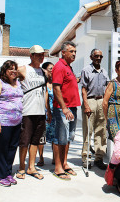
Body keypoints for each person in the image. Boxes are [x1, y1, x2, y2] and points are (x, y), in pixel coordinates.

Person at [16, 45, 47, 180]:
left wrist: (48, 111)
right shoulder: (23, 69)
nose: (41, 57)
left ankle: (31, 167)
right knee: (24, 141)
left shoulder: (44, 72)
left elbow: (46, 90)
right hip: (27, 111)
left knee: (35, 141)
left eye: (43, 54)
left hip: (40, 111)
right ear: (31, 55)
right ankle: (21, 167)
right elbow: (6, 75)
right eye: (38, 54)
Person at [52, 41, 81, 180]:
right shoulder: (59, 66)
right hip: (63, 108)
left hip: (72, 107)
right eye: (71, 51)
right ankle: (58, 167)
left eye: (75, 51)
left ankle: (64, 163)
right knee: (60, 138)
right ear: (63, 52)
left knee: (68, 137)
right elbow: (56, 88)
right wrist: (64, 108)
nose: (74, 54)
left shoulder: (68, 67)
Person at [80, 49, 109, 170]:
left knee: (101, 131)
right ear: (91, 57)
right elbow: (83, 89)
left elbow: (108, 87)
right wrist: (86, 105)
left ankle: (99, 157)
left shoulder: (104, 71)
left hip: (101, 101)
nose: (98, 58)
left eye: (100, 56)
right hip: (90, 101)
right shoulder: (86, 70)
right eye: (96, 56)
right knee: (88, 130)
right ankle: (86, 158)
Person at [0, 60, 23, 187]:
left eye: (15, 69)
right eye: (10, 69)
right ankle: (0, 175)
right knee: (2, 149)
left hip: (17, 121)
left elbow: (23, 72)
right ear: (4, 71)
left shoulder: (17, 82)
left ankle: (7, 172)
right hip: (4, 121)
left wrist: (17, 72)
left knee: (12, 148)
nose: (13, 71)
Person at [103, 60, 120, 140]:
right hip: (113, 113)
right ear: (116, 70)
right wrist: (106, 118)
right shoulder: (112, 83)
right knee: (117, 138)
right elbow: (105, 102)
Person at [37, 62, 54, 167]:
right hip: (43, 112)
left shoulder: (57, 83)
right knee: (41, 136)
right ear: (44, 70)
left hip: (55, 113)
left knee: (54, 136)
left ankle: (54, 157)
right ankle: (41, 157)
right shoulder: (42, 83)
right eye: (50, 68)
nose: (52, 70)